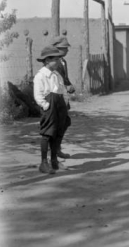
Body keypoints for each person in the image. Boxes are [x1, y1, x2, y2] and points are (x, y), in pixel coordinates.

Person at [33, 45, 69, 174]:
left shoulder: (57, 75)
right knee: (48, 133)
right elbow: (38, 94)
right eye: (56, 59)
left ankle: (54, 161)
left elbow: (63, 90)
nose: (59, 61)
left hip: (60, 104)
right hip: (50, 105)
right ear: (47, 60)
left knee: (58, 133)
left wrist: (64, 102)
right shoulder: (41, 76)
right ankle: (43, 163)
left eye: (59, 59)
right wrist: (45, 105)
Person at [51, 36, 75, 161]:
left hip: (63, 96)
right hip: (56, 97)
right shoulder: (53, 62)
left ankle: (57, 149)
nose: (67, 50)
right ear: (58, 48)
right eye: (65, 48)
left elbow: (64, 79)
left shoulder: (63, 61)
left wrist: (69, 85)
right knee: (58, 124)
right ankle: (53, 153)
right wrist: (66, 87)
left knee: (64, 122)